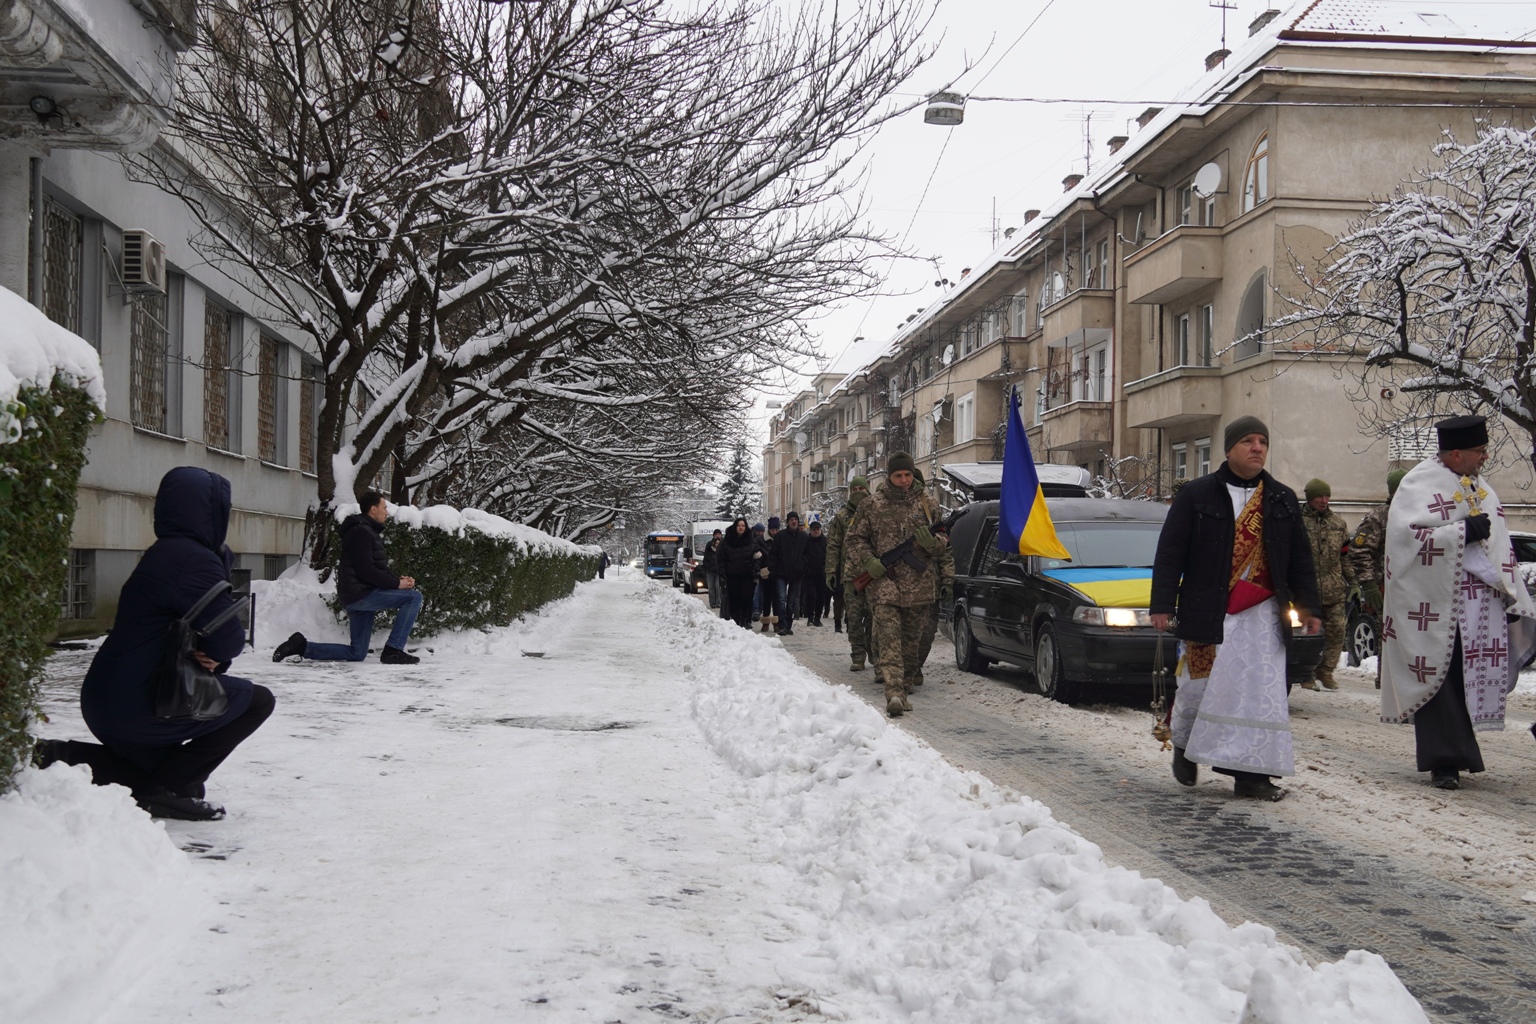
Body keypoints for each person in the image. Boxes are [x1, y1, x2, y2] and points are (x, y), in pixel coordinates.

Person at [34, 467, 275, 821]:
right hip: (142, 703)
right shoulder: (192, 560)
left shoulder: (163, 553)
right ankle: (169, 790)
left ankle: (55, 757)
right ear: (211, 513)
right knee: (257, 701)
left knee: (156, 778)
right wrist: (215, 654)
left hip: (108, 699)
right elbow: (228, 641)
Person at [1150, 416, 1322, 801]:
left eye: (1262, 441)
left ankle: (1251, 775)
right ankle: (1184, 743)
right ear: (1228, 449)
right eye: (1248, 440)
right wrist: (1161, 603)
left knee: (1258, 694)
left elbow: (1299, 560)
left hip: (1262, 616)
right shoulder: (1196, 495)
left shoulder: (1280, 498)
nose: (1258, 447)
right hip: (1207, 612)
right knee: (1198, 689)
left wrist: (1309, 607)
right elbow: (1170, 553)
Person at [1380, 415, 1536, 790]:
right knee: (1440, 680)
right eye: (1479, 451)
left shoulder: (1482, 488)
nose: (1484, 457)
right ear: (1455, 453)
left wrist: (1511, 596)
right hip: (1435, 607)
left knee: (1468, 681)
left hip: (1479, 607)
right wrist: (1462, 531)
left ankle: (1460, 752)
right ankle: (1443, 762)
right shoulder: (1418, 484)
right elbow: (1405, 540)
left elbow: (1498, 548)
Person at [272, 491, 425, 665]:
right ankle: (394, 650)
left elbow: (375, 568)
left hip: (358, 594)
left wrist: (399, 581)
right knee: (414, 598)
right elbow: (366, 570)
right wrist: (397, 584)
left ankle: (301, 647)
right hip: (361, 594)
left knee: (357, 653)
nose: (387, 512)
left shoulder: (365, 530)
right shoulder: (361, 532)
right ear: (373, 509)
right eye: (384, 508)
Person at [846, 452, 943, 717]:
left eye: (908, 475)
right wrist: (869, 562)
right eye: (898, 475)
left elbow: (945, 543)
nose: (904, 480)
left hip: (919, 588)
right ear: (889, 476)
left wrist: (932, 544)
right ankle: (894, 693)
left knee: (911, 645)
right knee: (889, 641)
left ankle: (906, 686)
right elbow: (854, 539)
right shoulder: (871, 505)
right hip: (885, 587)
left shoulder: (928, 504)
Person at [1300, 478, 1356, 690]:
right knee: (1308, 634)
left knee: (1337, 631)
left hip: (1333, 589)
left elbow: (1345, 557)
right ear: (1309, 498)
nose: (1324, 500)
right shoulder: (1298, 522)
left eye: (1327, 496)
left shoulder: (1338, 524)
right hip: (1307, 590)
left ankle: (1325, 670)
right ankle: (1306, 674)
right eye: (1319, 497)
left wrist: (1354, 582)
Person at [1349, 469, 1407, 622]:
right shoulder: (1379, 517)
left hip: (1411, 589)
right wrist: (1369, 585)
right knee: (1386, 636)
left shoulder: (1421, 514)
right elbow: (1359, 551)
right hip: (1385, 590)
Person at [825, 476, 872, 664]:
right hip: (851, 575)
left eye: (862, 488)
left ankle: (873, 651)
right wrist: (830, 571)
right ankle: (858, 656)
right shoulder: (842, 516)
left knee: (873, 617)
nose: (858, 492)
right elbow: (833, 545)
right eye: (854, 489)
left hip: (874, 574)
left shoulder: (876, 512)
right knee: (853, 617)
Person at [770, 511, 810, 635]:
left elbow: (807, 555)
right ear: (788, 522)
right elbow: (773, 554)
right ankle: (782, 625)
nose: (794, 522)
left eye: (796, 520)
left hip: (796, 574)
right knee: (781, 599)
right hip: (781, 573)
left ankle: (788, 624)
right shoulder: (780, 536)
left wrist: (801, 566)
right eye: (791, 519)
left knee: (791, 601)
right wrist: (774, 569)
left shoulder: (804, 537)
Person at [717, 518, 760, 629]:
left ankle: (746, 620)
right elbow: (720, 559)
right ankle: (735, 621)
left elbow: (758, 557)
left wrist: (755, 569)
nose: (741, 527)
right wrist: (722, 573)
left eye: (743, 525)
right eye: (739, 525)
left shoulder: (751, 541)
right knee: (734, 599)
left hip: (747, 575)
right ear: (735, 527)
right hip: (732, 575)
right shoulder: (726, 542)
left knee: (746, 598)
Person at [756, 518, 782, 633]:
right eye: (772, 529)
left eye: (776, 529)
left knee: (777, 597)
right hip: (765, 572)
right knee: (766, 597)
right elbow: (757, 556)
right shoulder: (760, 540)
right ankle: (765, 622)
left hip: (778, 573)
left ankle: (776, 622)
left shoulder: (781, 540)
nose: (774, 532)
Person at [802, 520, 829, 626]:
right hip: (809, 574)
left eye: (818, 529)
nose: (816, 531)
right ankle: (810, 617)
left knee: (821, 596)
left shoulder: (825, 541)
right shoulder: (806, 541)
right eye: (814, 529)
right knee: (811, 595)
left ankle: (817, 617)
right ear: (810, 531)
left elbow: (829, 556)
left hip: (822, 574)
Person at [702, 529, 724, 610]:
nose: (718, 535)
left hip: (719, 571)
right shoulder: (709, 545)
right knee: (711, 587)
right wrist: (707, 566)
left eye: (719, 534)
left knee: (718, 587)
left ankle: (718, 602)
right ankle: (712, 603)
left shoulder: (723, 545)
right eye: (716, 534)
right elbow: (705, 558)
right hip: (710, 570)